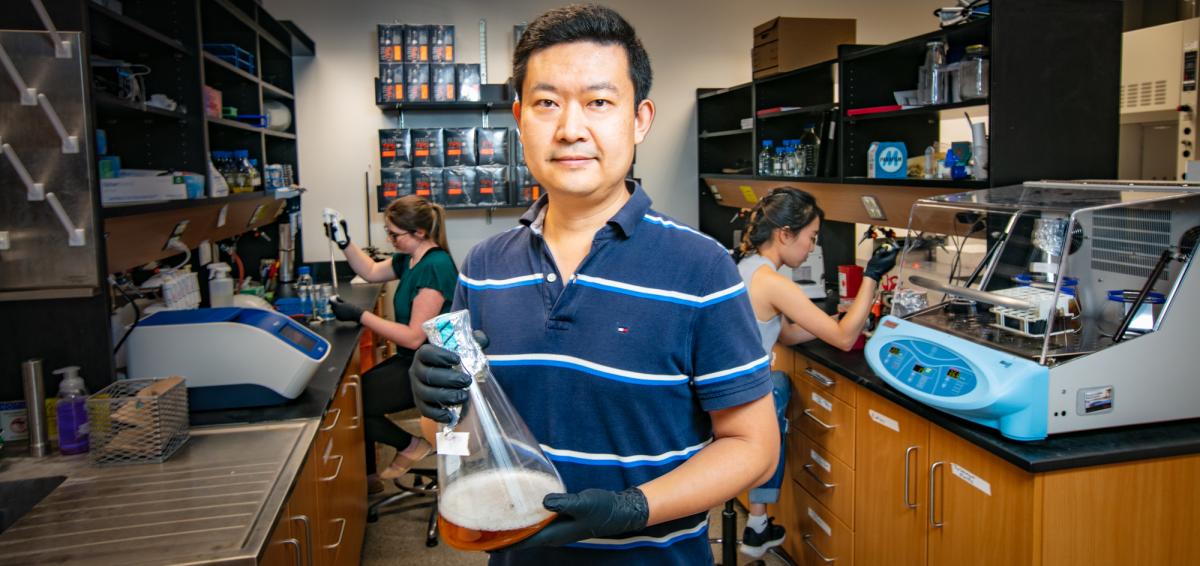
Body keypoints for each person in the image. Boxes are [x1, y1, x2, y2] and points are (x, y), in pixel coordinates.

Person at [409, 5, 779, 565]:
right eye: (547, 103)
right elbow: (460, 438)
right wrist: (435, 406)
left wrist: (632, 507)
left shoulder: (701, 269)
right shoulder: (482, 267)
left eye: (599, 102)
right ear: (519, 118)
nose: (570, 128)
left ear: (639, 119)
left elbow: (754, 446)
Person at [731, 187, 897, 557]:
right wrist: (871, 277)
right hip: (740, 403)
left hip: (723, 394)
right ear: (785, 234)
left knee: (778, 384)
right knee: (775, 391)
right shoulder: (772, 281)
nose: (811, 248)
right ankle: (758, 522)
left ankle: (759, 519)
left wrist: (829, 318)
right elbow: (843, 339)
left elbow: (786, 333)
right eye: (810, 238)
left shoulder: (748, 268)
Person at [325, 195, 458, 493]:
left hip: (432, 368)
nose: (390, 239)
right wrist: (344, 242)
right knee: (355, 397)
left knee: (354, 407)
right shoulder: (411, 259)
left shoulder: (435, 266)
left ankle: (412, 445)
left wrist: (360, 316)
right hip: (411, 360)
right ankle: (371, 477)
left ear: (419, 233)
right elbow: (370, 271)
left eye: (394, 234)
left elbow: (413, 336)